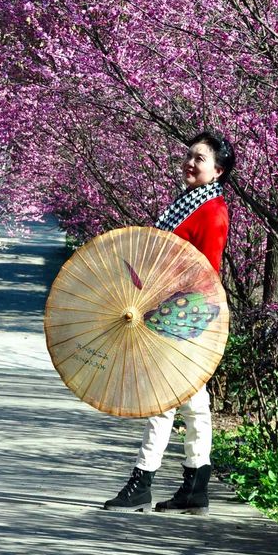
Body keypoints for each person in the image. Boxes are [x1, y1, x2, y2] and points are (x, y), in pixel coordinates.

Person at [103, 130, 235, 516]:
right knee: (193, 403)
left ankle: (142, 481)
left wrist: (164, 286)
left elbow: (205, 272)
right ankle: (195, 488)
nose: (191, 163)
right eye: (189, 156)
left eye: (201, 159)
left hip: (187, 313)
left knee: (163, 397)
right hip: (171, 307)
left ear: (218, 170)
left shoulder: (212, 211)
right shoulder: (189, 203)